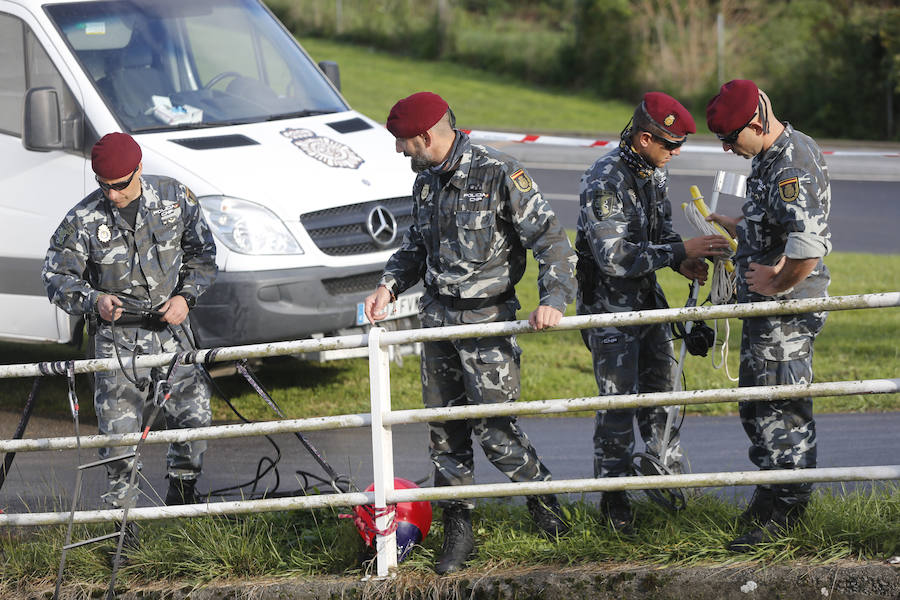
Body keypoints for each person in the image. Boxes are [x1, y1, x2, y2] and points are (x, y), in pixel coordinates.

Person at [363, 91, 577, 574]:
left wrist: (553, 298)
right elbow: (416, 246)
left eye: (403, 142)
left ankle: (546, 505)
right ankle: (459, 529)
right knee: (444, 430)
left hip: (488, 322)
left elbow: (552, 241)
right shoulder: (425, 180)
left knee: (496, 429)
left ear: (426, 136)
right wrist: (388, 286)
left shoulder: (498, 172)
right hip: (437, 321)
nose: (399, 150)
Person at [575, 92, 731, 534]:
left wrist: (682, 260)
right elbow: (614, 258)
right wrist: (679, 251)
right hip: (609, 310)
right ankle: (614, 499)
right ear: (645, 138)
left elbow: (660, 232)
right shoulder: (604, 179)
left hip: (647, 301)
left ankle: (671, 486)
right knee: (618, 406)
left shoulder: (653, 171)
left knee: (663, 394)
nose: (676, 153)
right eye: (671, 144)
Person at [42, 132, 217, 510]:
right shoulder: (83, 219)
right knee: (118, 436)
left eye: (119, 185)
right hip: (117, 339)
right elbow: (55, 277)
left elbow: (203, 254)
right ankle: (122, 520)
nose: (112, 194)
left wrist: (186, 298)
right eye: (103, 185)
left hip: (172, 332)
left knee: (194, 417)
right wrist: (95, 301)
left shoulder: (174, 198)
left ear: (139, 170)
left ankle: (183, 493)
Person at [705, 79, 830, 552]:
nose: (726, 148)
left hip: (785, 312)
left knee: (782, 409)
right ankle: (770, 490)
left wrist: (777, 284)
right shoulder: (767, 157)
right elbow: (778, 223)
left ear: (756, 123)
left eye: (730, 138)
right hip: (764, 311)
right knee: (757, 405)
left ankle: (788, 510)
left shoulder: (792, 163)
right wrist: (738, 228)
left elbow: (808, 246)